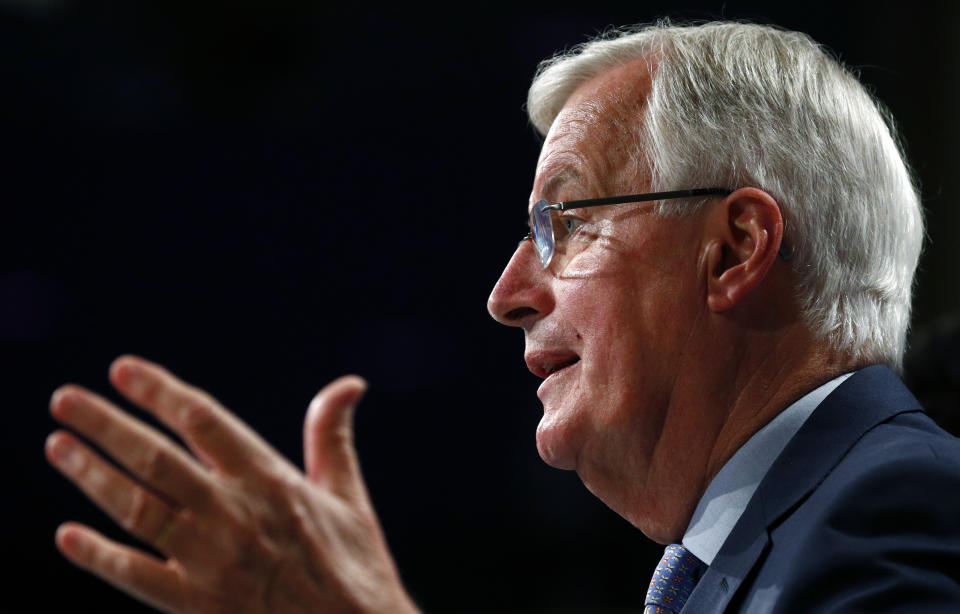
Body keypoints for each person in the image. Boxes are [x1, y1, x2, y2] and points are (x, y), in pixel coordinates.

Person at [45, 21, 960, 614]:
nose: (507, 292)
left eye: (562, 224)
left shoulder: (894, 508)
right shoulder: (787, 535)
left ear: (734, 248)